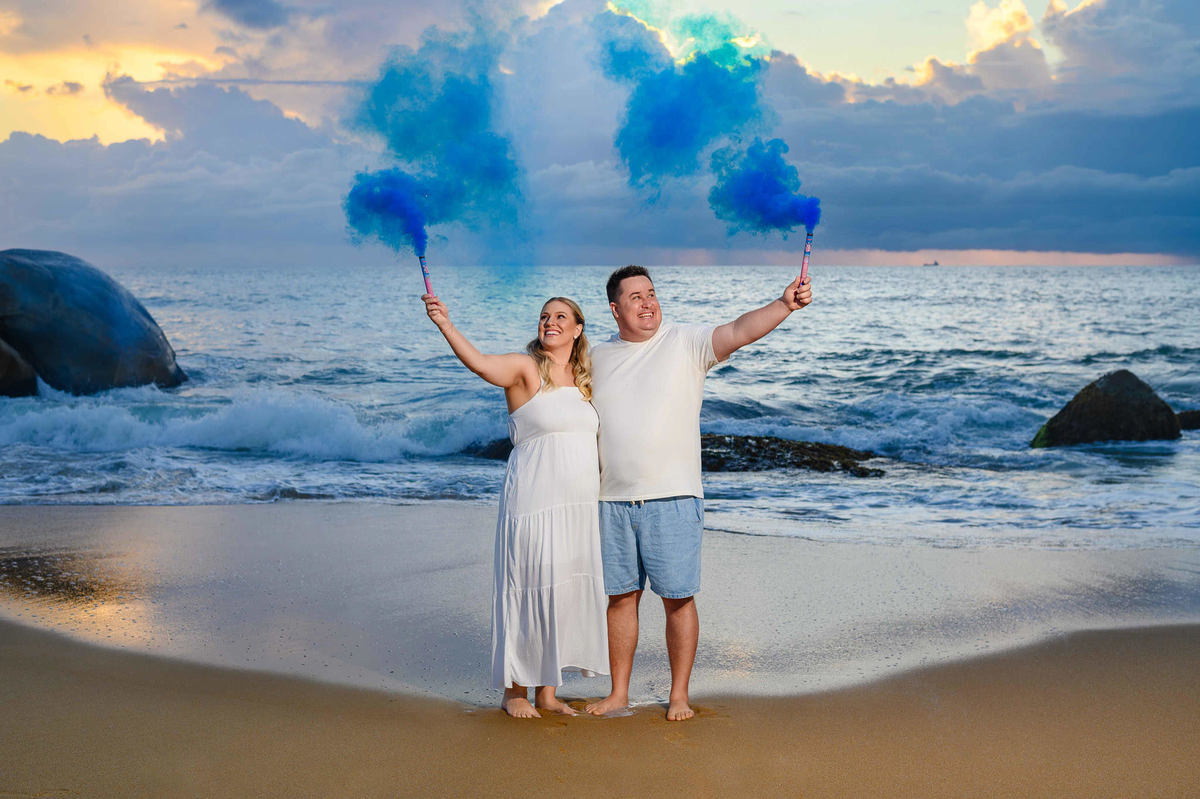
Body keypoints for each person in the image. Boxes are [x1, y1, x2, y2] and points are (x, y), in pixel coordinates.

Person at [584, 265, 813, 721]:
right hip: (610, 500)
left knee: (678, 599)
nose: (648, 303)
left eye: (651, 293)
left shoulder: (684, 342)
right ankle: (618, 693)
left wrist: (785, 304)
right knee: (620, 598)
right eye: (635, 297)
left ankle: (679, 695)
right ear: (615, 309)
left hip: (673, 497)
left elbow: (740, 330)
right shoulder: (594, 357)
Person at [423, 292, 608, 718]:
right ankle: (514, 691)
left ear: (578, 329)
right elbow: (480, 363)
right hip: (535, 497)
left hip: (577, 504)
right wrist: (445, 324)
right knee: (529, 584)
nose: (550, 322)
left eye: (561, 316)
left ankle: (547, 692)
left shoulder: (586, 380)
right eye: (545, 316)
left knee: (561, 588)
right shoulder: (525, 368)